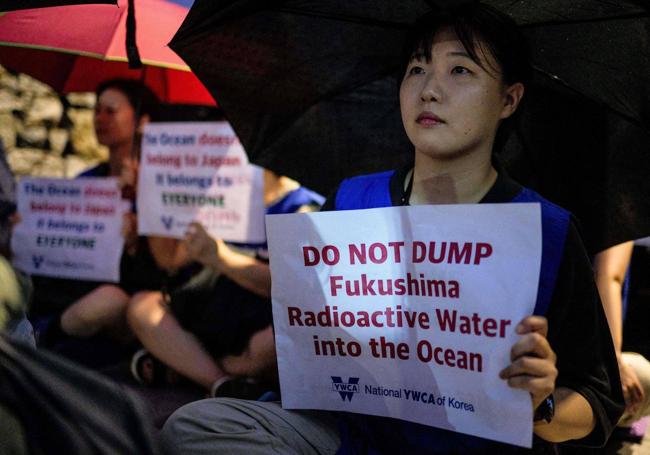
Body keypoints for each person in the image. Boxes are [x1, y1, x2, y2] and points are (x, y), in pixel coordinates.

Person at [161, 3, 624, 454]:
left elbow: (597, 403)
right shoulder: (352, 202)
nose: (429, 90)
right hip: (350, 436)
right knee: (198, 426)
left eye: (460, 71)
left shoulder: (544, 229)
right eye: (416, 69)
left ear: (509, 99)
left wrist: (538, 402)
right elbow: (309, 351)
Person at [127, 169, 324, 393]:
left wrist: (222, 258)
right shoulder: (216, 200)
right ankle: (222, 383)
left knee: (292, 330)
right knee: (143, 308)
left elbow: (295, 289)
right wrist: (151, 199)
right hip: (211, 313)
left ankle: (188, 366)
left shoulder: (303, 208)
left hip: (262, 326)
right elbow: (170, 262)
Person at [38, 79, 197, 348]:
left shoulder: (166, 183)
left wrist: (139, 234)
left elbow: (170, 267)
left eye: (110, 111)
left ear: (143, 121)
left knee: (108, 302)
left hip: (138, 302)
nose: (99, 118)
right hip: (78, 294)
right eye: (96, 110)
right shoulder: (86, 181)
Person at [594, 241, 650, 426]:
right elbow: (608, 276)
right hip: (580, 359)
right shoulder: (622, 213)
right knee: (644, 377)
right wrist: (614, 361)